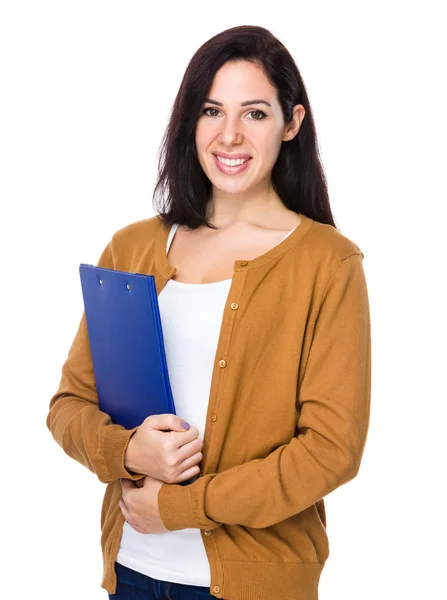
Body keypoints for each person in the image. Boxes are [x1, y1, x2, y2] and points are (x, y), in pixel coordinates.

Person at [46, 24, 371, 600]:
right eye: (211, 111)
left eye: (254, 114)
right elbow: (69, 405)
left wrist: (182, 507)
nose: (229, 136)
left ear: (291, 123)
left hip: (254, 583)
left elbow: (330, 451)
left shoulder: (328, 264)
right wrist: (127, 450)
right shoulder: (134, 247)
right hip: (133, 571)